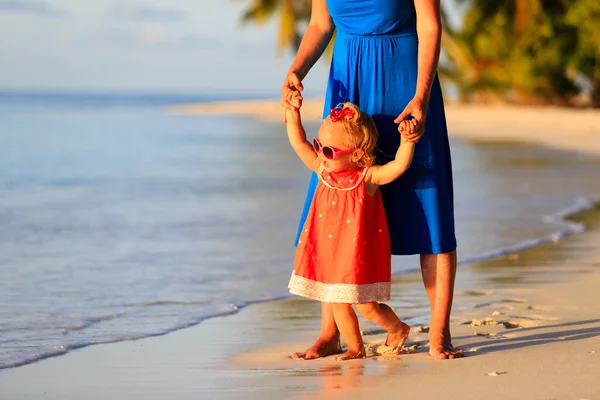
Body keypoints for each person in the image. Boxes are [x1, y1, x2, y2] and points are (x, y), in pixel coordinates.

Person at [281, 0, 462, 360]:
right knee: (333, 201)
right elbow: (320, 24)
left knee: (428, 204)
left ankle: (440, 331)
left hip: (406, 79)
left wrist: (421, 96)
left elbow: (429, 26)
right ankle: (330, 333)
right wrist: (296, 70)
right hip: (349, 76)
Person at [285, 92, 415, 360]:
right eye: (319, 145)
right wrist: (293, 113)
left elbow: (398, 167)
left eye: (329, 150)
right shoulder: (323, 169)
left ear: (356, 154)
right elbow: (299, 143)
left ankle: (397, 327)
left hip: (356, 256)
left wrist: (407, 141)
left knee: (367, 306)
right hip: (329, 254)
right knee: (336, 303)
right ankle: (356, 348)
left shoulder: (366, 177)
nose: (320, 153)